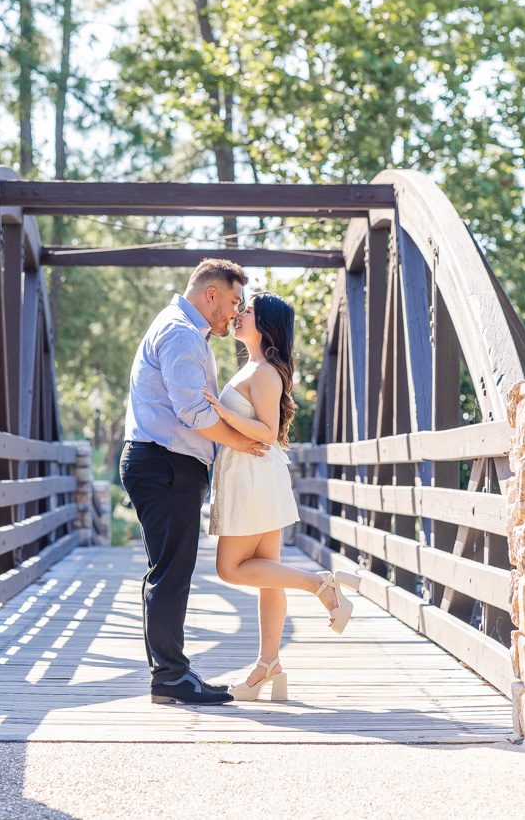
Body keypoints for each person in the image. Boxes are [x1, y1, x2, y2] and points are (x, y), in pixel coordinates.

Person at [120, 259, 270, 706]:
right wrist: (240, 443)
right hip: (164, 464)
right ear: (210, 293)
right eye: (232, 302)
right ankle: (170, 677)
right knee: (170, 572)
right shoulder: (183, 333)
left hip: (163, 463)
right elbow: (194, 413)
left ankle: (171, 673)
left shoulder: (182, 330)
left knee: (168, 571)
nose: (233, 313)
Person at [206, 291, 360, 701]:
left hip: (252, 477)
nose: (239, 314)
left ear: (266, 324)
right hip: (254, 474)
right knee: (267, 575)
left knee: (230, 568)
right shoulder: (257, 368)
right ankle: (268, 665)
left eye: (249, 311)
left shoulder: (264, 373)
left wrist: (222, 414)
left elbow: (267, 433)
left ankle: (320, 585)